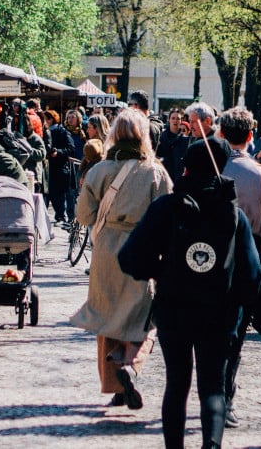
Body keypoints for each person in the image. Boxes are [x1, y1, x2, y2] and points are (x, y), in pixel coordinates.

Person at [118, 137, 261, 449]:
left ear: (186, 167)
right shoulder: (233, 215)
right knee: (213, 387)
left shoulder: (167, 207)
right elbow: (253, 273)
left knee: (177, 384)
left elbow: (130, 258)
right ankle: (212, 445)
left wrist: (159, 270)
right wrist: (242, 308)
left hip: (174, 308)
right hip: (219, 313)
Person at [71, 110, 172, 410]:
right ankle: (130, 364)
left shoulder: (99, 171)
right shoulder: (155, 172)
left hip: (105, 250)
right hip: (142, 248)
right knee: (144, 316)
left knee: (108, 315)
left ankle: (115, 386)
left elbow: (84, 215)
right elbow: (167, 217)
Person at [216, 106, 261, 429]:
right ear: (250, 136)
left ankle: (213, 389)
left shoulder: (206, 167)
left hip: (207, 256)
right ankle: (225, 395)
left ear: (220, 133)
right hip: (247, 257)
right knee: (237, 328)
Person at [45, 110, 76, 224]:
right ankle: (59, 216)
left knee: (60, 194)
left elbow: (70, 148)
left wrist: (58, 152)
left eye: (46, 119)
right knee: (52, 194)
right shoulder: (45, 131)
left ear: (51, 119)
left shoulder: (61, 131)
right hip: (49, 168)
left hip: (59, 167)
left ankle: (61, 216)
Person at [156, 108, 190, 185]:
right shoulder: (161, 138)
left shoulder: (185, 140)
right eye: (173, 118)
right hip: (163, 176)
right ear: (169, 119)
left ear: (181, 121)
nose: (175, 121)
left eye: (178, 119)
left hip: (178, 178)